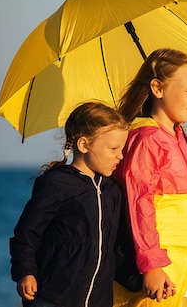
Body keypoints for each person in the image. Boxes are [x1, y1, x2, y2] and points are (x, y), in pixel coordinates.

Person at [112, 48, 187, 307]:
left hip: (184, 261)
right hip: (162, 264)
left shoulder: (181, 138)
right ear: (158, 89)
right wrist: (151, 266)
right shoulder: (146, 139)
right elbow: (140, 205)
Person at [10, 101, 129, 307]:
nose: (120, 155)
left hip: (98, 301)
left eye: (122, 149)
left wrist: (141, 279)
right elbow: (27, 234)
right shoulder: (57, 183)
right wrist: (26, 272)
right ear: (84, 145)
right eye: (113, 149)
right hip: (52, 297)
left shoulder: (113, 190)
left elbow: (117, 247)